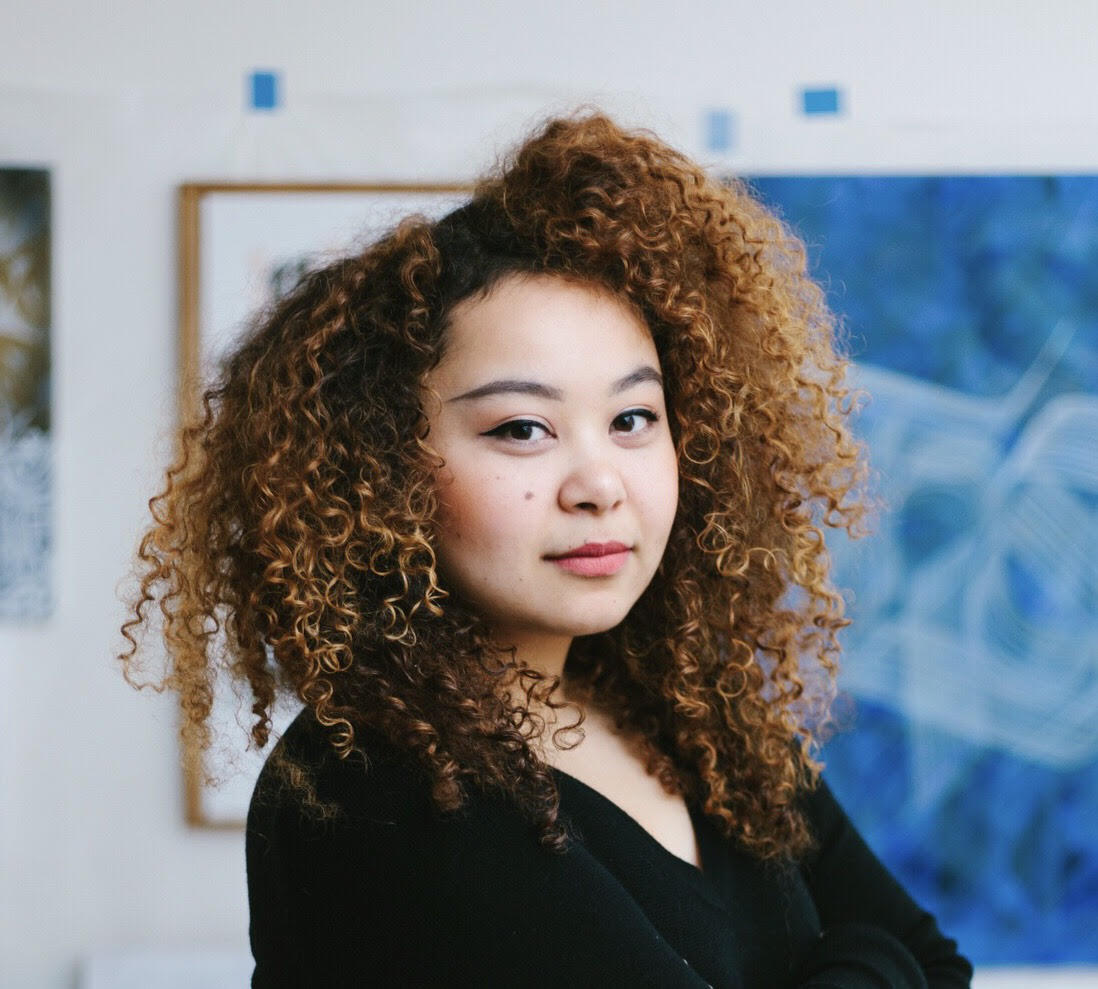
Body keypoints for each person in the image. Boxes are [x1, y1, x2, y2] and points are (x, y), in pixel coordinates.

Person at [120, 110, 973, 987]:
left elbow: (943, 964)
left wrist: (876, 957)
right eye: (524, 428)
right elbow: (906, 956)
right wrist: (868, 957)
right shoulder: (376, 783)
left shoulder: (697, 726)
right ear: (382, 467)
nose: (598, 481)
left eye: (633, 418)